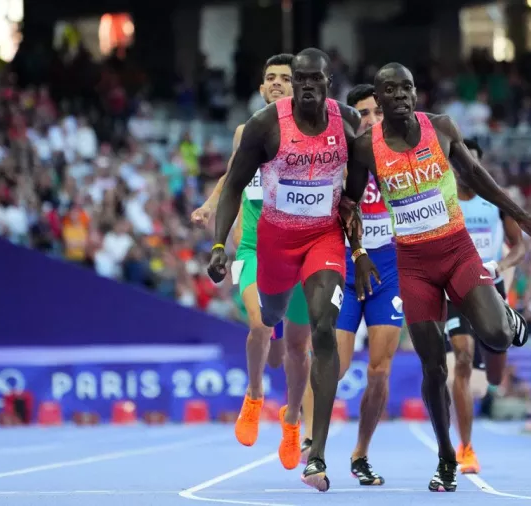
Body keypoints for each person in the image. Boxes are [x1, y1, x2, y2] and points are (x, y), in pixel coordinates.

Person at [342, 62, 531, 492]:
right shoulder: (365, 148)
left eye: (407, 87)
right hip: (413, 264)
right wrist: (360, 252)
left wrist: (525, 217)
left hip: (457, 250)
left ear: (415, 93)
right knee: (433, 367)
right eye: (391, 89)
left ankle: (508, 319)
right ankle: (446, 457)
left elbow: (477, 176)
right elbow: (349, 205)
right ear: (379, 100)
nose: (401, 95)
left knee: (496, 335)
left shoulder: (439, 128)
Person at [207, 48, 368, 492]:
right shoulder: (259, 128)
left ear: (328, 82)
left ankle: (306, 440)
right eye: (288, 78)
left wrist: (356, 241)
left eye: (310, 77)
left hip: (323, 240)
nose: (298, 85)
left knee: (317, 333)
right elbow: (231, 184)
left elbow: (363, 173)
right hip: (266, 243)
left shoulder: (347, 122)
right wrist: (220, 241)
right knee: (267, 320)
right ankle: (256, 392)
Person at [191, 54, 312, 459]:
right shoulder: (247, 131)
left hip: (296, 249)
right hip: (253, 248)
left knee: (295, 349)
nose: (277, 83)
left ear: (298, 88)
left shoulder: (312, 134)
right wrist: (211, 207)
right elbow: (232, 177)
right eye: (270, 78)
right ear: (262, 89)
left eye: (285, 79)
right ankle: (255, 395)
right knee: (259, 324)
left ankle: (292, 420)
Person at [300, 83, 394, 485]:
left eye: (376, 112)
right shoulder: (337, 158)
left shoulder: (399, 155)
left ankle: (361, 454)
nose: (371, 119)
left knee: (379, 369)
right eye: (363, 113)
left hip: (388, 269)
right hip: (345, 264)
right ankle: (310, 446)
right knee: (331, 359)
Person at [444, 138, 526, 475]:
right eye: (459, 164)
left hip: (491, 288)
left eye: (471, 164)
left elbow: (519, 247)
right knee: (461, 360)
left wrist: (501, 267)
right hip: (456, 293)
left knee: (493, 373)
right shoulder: (443, 201)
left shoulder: (495, 201)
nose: (465, 170)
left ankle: (502, 341)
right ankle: (466, 448)